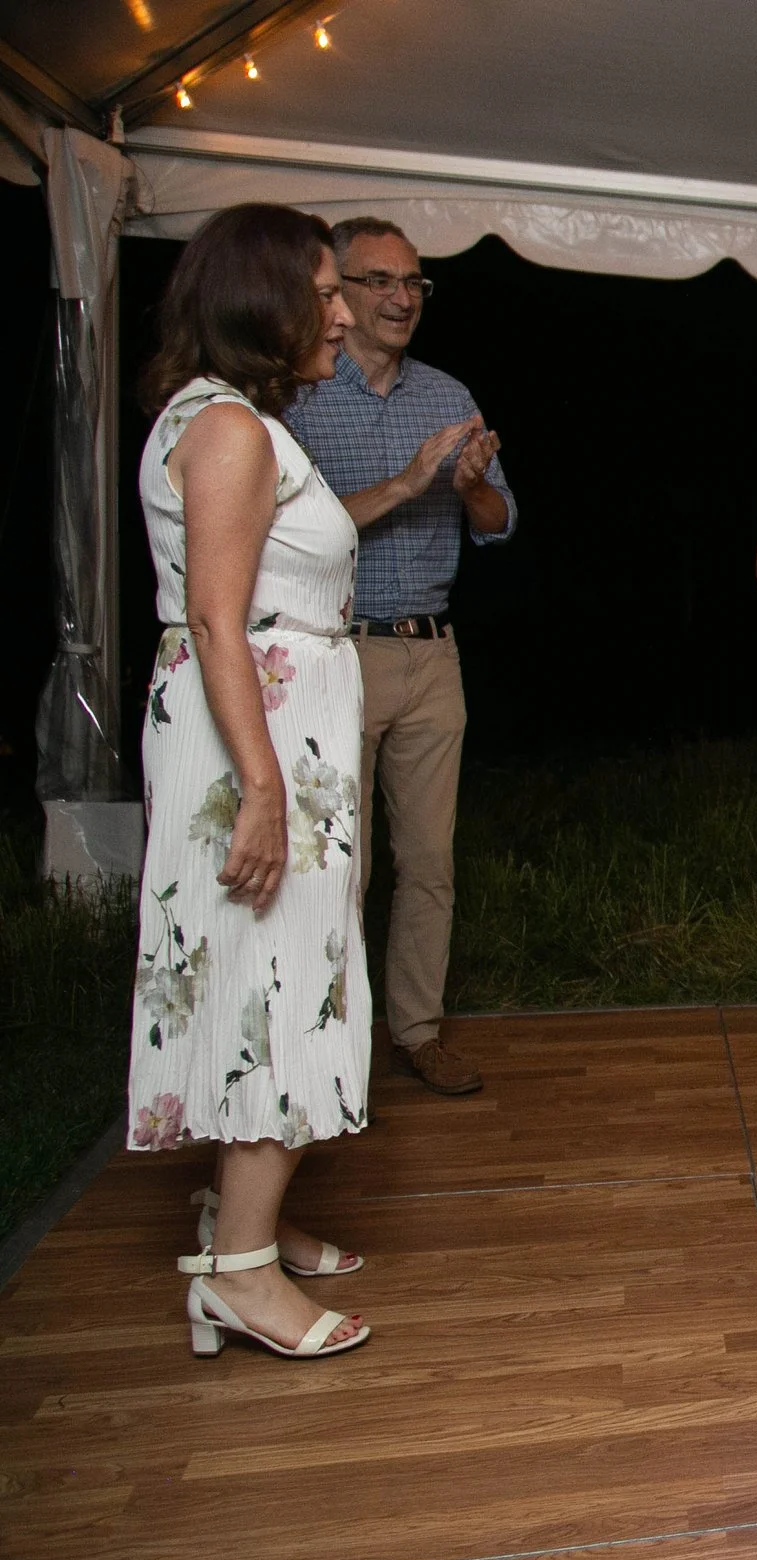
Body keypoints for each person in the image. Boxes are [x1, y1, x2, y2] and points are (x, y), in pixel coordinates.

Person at [130, 202, 373, 1360]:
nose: (343, 313)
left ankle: (250, 1223)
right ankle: (237, 1272)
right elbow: (221, 623)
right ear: (261, 300)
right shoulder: (229, 429)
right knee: (282, 985)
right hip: (259, 741)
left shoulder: (226, 417)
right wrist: (266, 790)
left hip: (266, 732)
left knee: (258, 975)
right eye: (324, 292)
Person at [286, 216, 516, 1098]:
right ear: (335, 290)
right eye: (380, 280)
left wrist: (473, 489)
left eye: (414, 283)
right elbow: (285, 534)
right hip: (334, 655)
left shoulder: (448, 396)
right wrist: (409, 485)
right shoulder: (299, 397)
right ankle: (328, 1040)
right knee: (343, 863)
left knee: (429, 861)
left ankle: (416, 1030)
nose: (400, 298)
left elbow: (501, 527)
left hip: (430, 654)